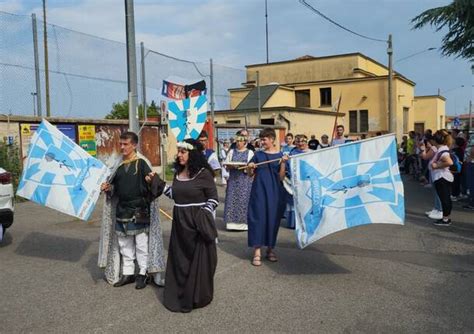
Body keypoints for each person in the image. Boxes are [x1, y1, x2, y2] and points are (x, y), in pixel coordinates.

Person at [153, 138, 219, 313]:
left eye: (183, 152)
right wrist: (158, 184)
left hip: (197, 224)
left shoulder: (204, 173)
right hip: (180, 223)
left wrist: (204, 213)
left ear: (193, 154)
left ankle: (196, 297)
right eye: (179, 151)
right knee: (180, 260)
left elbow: (213, 199)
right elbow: (176, 194)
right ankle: (180, 293)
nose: (179, 155)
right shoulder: (178, 173)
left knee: (197, 261)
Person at [98, 131, 166, 289]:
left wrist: (151, 182)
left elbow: (155, 185)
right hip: (122, 210)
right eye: (120, 144)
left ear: (134, 145)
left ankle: (142, 273)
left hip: (139, 209)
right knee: (124, 244)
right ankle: (128, 272)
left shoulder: (141, 163)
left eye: (125, 144)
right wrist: (108, 188)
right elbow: (114, 187)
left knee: (141, 243)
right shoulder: (118, 165)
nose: (122, 147)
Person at [247, 128, 288, 266]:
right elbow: (249, 174)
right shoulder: (258, 155)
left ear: (272, 139)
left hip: (275, 192)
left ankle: (270, 249)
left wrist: (282, 163)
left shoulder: (281, 155)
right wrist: (250, 167)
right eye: (261, 139)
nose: (262, 142)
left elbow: (281, 177)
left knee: (272, 220)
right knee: (258, 219)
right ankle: (257, 251)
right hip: (259, 191)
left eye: (264, 139)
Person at [223, 134, 254, 231]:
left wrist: (245, 167)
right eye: (237, 141)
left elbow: (251, 166)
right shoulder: (232, 152)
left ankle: (244, 224)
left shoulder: (250, 153)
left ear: (245, 142)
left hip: (244, 180)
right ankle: (231, 224)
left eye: (240, 141)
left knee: (243, 200)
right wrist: (230, 166)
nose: (238, 143)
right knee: (231, 199)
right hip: (233, 179)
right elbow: (226, 164)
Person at [284, 134, 311, 229]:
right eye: (298, 142)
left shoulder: (312, 153)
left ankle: (306, 222)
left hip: (307, 181)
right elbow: (288, 165)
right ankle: (293, 223)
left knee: (306, 201)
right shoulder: (293, 152)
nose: (300, 143)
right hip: (295, 180)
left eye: (302, 141)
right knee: (293, 201)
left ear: (306, 142)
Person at [430, 129, 454, 226]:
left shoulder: (442, 150)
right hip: (442, 177)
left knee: (444, 199)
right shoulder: (442, 148)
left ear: (436, 140)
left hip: (442, 178)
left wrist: (436, 166)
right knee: (446, 198)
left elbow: (449, 162)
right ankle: (446, 218)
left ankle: (445, 219)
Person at [419, 134, 443, 220]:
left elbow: (424, 157)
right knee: (435, 191)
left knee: (437, 191)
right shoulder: (436, 148)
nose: (427, 144)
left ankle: (440, 209)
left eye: (427, 142)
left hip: (435, 172)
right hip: (433, 171)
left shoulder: (434, 148)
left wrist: (423, 150)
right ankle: (436, 208)